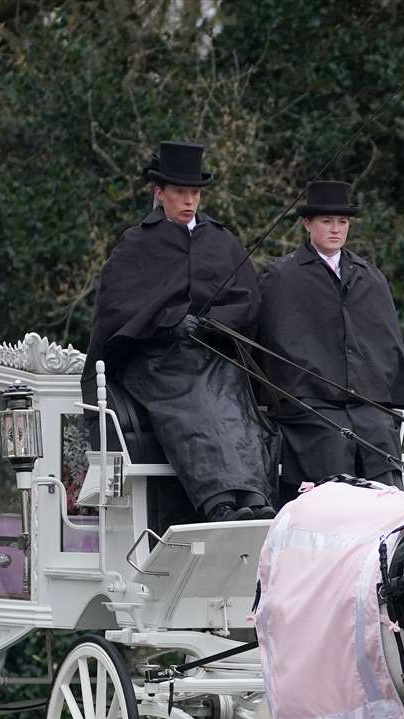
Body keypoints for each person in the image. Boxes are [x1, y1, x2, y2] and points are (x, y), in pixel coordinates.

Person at [81, 140, 274, 521]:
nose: (189, 201)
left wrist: (215, 324)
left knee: (232, 392)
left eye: (195, 193)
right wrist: (168, 323)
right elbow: (116, 309)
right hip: (155, 359)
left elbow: (248, 301)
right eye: (180, 193)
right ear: (160, 193)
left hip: (212, 352)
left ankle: (252, 495)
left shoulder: (221, 240)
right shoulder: (136, 243)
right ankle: (218, 501)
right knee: (196, 400)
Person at [257, 180, 404, 503]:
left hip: (364, 401)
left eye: (342, 222)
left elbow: (387, 343)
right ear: (307, 223)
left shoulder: (369, 276)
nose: (335, 229)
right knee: (332, 437)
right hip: (308, 403)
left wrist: (375, 392)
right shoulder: (282, 277)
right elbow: (271, 345)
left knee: (380, 433)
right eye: (327, 221)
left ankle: (388, 525)